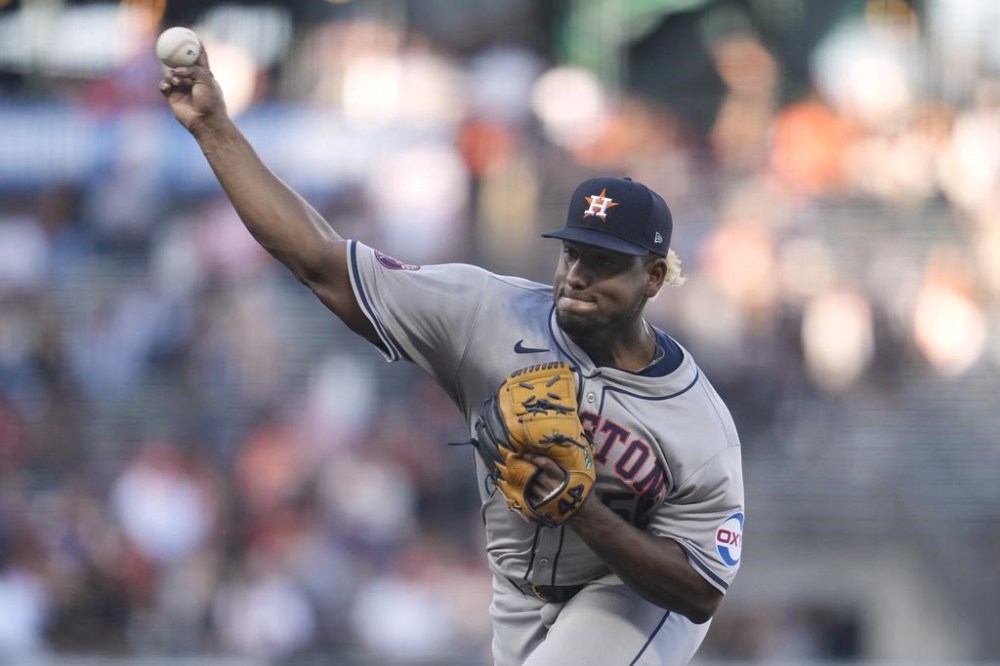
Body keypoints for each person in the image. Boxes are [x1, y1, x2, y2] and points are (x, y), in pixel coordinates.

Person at [159, 47, 745, 666]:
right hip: (520, 588)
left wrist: (586, 515)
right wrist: (213, 128)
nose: (577, 276)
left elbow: (701, 591)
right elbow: (319, 261)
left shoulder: (697, 424)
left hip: (634, 596)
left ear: (653, 278)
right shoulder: (485, 312)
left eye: (604, 264)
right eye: (572, 254)